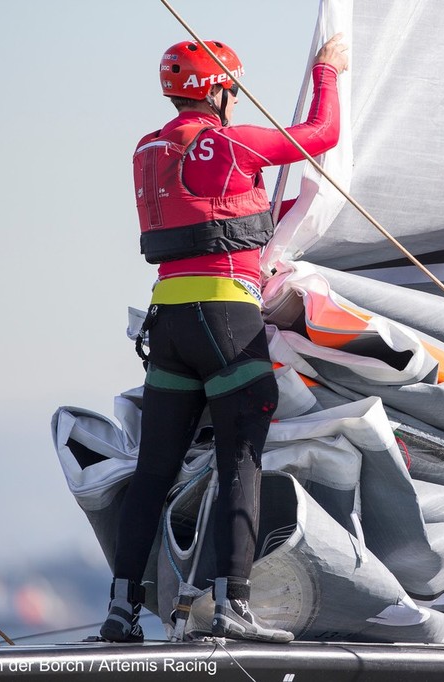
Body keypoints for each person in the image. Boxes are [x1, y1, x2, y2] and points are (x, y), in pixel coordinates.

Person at [99, 34, 349, 643]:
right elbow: (322, 135)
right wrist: (327, 72)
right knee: (241, 460)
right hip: (226, 319)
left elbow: (218, 208)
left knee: (155, 469)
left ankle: (121, 610)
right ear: (219, 90)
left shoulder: (148, 148)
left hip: (170, 324)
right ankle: (232, 604)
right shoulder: (230, 141)